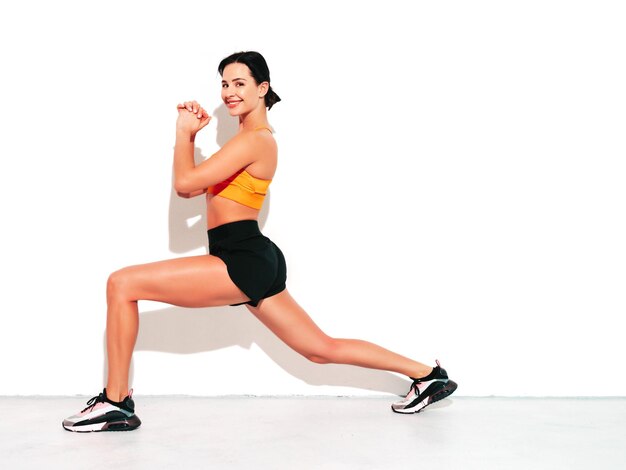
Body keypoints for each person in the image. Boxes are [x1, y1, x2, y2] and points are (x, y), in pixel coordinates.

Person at [62, 51, 457, 432]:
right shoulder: (245, 140)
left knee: (122, 283)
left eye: (239, 83)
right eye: (224, 83)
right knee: (320, 349)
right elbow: (204, 191)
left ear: (262, 87)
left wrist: (183, 135)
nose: (229, 91)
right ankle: (428, 375)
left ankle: (116, 403)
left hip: (241, 258)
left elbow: (185, 185)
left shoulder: (256, 140)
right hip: (249, 254)